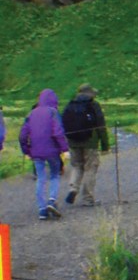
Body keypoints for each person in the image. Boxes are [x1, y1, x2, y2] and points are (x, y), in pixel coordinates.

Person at [18, 89, 69, 220]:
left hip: (36, 152)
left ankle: (41, 209)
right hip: (52, 151)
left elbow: (22, 135)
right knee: (54, 175)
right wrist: (64, 149)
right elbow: (58, 132)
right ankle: (51, 201)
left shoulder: (31, 113)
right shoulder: (53, 112)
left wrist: (26, 151)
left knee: (40, 178)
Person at [64, 83, 110, 208]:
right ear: (89, 93)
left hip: (73, 142)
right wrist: (105, 145)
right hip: (90, 142)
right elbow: (101, 126)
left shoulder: (70, 105)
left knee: (77, 166)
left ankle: (73, 188)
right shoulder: (93, 105)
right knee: (90, 168)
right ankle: (87, 198)